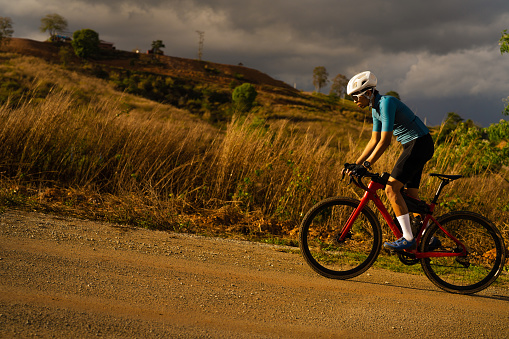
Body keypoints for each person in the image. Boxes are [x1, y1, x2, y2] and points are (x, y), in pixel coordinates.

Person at [343, 71, 434, 251]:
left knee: (391, 189)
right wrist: (357, 163)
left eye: (356, 97)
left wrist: (367, 165)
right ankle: (428, 237)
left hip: (417, 144)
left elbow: (385, 142)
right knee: (410, 196)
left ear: (368, 93)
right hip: (416, 145)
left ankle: (408, 238)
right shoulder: (375, 109)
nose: (354, 101)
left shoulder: (386, 103)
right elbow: (373, 140)